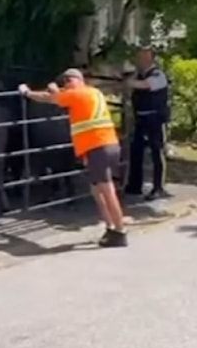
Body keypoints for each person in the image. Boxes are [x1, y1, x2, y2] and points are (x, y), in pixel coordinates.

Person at [19, 68, 128, 247]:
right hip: (107, 144)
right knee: (96, 189)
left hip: (97, 147)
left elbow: (49, 98)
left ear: (74, 80)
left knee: (107, 190)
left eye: (67, 82)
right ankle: (110, 227)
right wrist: (55, 92)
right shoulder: (93, 92)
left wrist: (28, 92)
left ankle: (119, 231)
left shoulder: (76, 94)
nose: (66, 85)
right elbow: (60, 97)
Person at [124, 47, 171, 201]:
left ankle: (158, 187)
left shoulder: (158, 75)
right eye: (139, 57)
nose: (140, 60)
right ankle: (135, 185)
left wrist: (129, 82)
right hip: (141, 119)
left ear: (151, 59)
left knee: (157, 152)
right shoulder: (138, 75)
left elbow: (146, 85)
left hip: (155, 119)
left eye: (144, 57)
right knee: (136, 151)